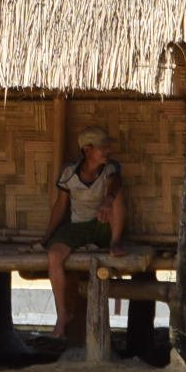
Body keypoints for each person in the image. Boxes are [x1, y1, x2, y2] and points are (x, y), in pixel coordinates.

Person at [44, 127, 126, 349]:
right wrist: (47, 236)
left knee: (116, 197)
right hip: (78, 227)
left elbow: (115, 183)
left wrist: (108, 199)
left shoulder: (110, 169)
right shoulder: (69, 174)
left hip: (103, 226)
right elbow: (60, 206)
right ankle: (62, 315)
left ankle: (115, 242)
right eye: (102, 147)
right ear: (87, 149)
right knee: (54, 256)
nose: (107, 150)